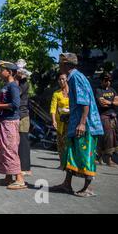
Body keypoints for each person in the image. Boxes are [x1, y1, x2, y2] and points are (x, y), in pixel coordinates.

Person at [51, 53, 104, 198]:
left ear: (66, 64)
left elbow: (85, 102)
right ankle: (67, 184)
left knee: (85, 154)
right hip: (76, 122)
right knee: (72, 153)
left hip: (85, 125)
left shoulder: (75, 78)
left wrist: (81, 123)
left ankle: (88, 187)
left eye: (61, 63)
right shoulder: (73, 77)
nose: (59, 66)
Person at [0, 61, 27, 190]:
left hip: (10, 121)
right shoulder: (7, 85)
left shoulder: (13, 86)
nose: (0, 72)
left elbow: (15, 104)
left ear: (9, 72)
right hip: (4, 120)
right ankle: (8, 178)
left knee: (10, 149)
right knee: (4, 150)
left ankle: (20, 179)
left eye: (2, 70)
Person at [95, 72, 118, 167]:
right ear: (101, 80)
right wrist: (112, 102)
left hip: (113, 117)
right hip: (104, 116)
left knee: (113, 137)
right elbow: (102, 103)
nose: (108, 82)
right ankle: (107, 159)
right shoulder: (98, 90)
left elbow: (117, 103)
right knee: (107, 137)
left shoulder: (113, 90)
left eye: (109, 80)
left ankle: (101, 157)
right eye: (106, 80)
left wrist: (109, 102)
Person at [15, 60, 32, 177]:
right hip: (19, 114)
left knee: (23, 141)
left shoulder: (24, 83)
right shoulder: (20, 82)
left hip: (23, 115)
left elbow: (16, 93)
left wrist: (15, 80)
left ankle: (25, 167)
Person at [50, 73, 70, 165]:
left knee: (69, 142)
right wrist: (54, 121)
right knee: (60, 143)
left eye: (63, 79)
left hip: (71, 121)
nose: (61, 81)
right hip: (60, 121)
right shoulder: (56, 93)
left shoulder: (72, 92)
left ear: (67, 80)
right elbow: (53, 108)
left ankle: (69, 163)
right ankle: (62, 163)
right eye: (59, 79)